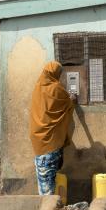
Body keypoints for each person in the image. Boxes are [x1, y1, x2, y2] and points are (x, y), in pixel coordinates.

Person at [29, 61, 76, 196]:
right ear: (55, 73)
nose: (60, 76)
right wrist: (72, 98)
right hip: (51, 143)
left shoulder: (37, 88)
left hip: (38, 141)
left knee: (43, 181)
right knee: (48, 184)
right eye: (60, 73)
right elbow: (68, 102)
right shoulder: (56, 88)